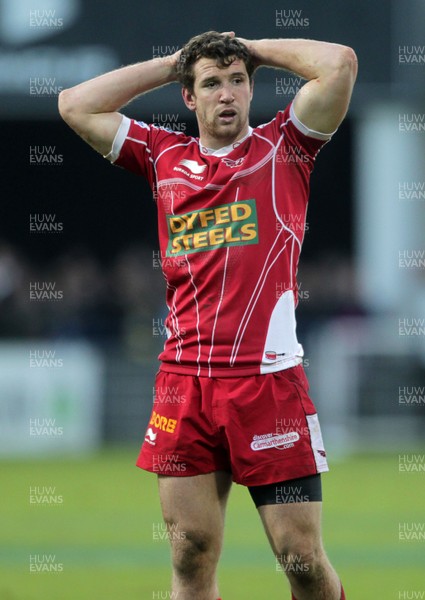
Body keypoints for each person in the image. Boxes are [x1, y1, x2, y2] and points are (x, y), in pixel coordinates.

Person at [59, 31, 357, 600]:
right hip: (185, 385)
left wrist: (251, 48)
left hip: (267, 382)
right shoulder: (161, 155)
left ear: (252, 88)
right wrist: (174, 62)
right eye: (212, 83)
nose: (227, 94)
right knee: (191, 554)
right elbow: (74, 103)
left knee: (300, 558)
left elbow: (339, 63)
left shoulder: (286, 147)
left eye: (238, 81)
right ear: (189, 98)